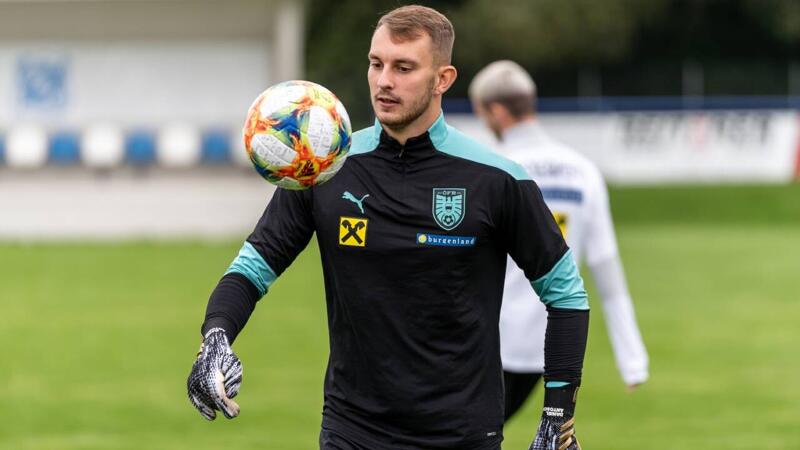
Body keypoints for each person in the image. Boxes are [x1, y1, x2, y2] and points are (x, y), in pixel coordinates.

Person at [187, 6, 588, 450]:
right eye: (376, 64)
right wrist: (216, 335)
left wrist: (556, 416)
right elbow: (253, 267)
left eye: (403, 68)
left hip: (463, 435)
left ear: (443, 79)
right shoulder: (325, 168)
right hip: (351, 431)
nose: (384, 81)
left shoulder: (497, 180)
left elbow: (566, 295)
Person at [469, 60, 649, 421]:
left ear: (496, 111)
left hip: (486, 342)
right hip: (545, 346)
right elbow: (606, 270)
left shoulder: (491, 168)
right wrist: (632, 359)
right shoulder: (583, 171)